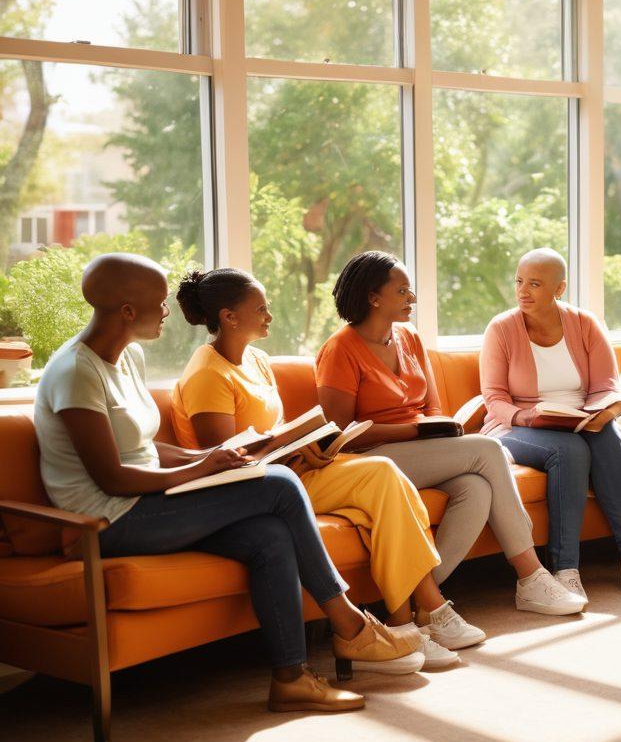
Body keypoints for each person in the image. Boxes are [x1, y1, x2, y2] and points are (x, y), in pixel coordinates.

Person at [33, 254, 424, 714]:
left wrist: (208, 458)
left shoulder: (127, 358)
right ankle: (351, 625)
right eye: (159, 302)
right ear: (127, 310)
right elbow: (112, 477)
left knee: (269, 535)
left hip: (147, 500)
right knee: (280, 485)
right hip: (106, 520)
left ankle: (291, 679)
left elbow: (140, 448)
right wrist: (201, 470)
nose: (167, 311)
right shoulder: (76, 372)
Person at [169, 268, 478, 666]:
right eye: (260, 309)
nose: (269, 315)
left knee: (384, 477)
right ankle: (419, 619)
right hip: (255, 488)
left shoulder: (256, 360)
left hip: (290, 470)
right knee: (381, 478)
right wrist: (288, 450)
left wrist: (309, 447)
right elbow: (225, 460)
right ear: (229, 317)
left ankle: (406, 624)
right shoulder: (207, 374)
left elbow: (271, 432)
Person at [315, 251, 585, 620]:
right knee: (489, 450)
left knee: (476, 488)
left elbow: (432, 407)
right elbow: (340, 436)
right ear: (373, 298)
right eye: (402, 291)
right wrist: (415, 431)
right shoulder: (340, 349)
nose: (412, 298)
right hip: (371, 459)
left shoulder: (408, 337)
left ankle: (424, 602)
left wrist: (439, 428)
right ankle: (530, 575)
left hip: (421, 450)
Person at [478, 248, 621, 603]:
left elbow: (606, 386)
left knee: (608, 437)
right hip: (516, 427)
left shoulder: (585, 324)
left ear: (559, 289)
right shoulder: (501, 328)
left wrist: (597, 414)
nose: (522, 291)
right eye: (519, 281)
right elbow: (494, 397)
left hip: (579, 420)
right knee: (570, 450)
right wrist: (525, 416)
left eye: (534, 284)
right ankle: (565, 570)